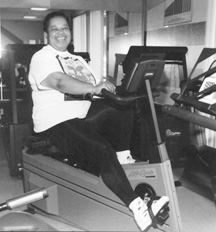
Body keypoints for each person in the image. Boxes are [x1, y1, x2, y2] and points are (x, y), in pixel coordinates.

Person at [28, 11, 169, 231]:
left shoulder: (78, 60)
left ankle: (123, 159)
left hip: (82, 117)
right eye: (54, 29)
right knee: (103, 150)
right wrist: (94, 88)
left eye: (64, 28)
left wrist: (113, 86)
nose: (60, 33)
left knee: (123, 103)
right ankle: (138, 208)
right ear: (46, 34)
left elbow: (98, 87)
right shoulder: (41, 57)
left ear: (70, 32)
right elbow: (60, 82)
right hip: (55, 123)